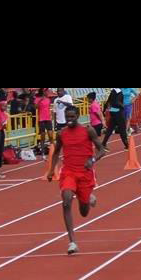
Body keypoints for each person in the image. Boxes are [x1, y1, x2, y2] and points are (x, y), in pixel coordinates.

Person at [48, 106, 108, 255]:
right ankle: (72, 242)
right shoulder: (61, 133)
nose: (69, 120)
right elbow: (56, 152)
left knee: (84, 211)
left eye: (72, 117)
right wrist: (51, 170)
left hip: (85, 174)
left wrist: (92, 160)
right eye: (67, 117)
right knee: (66, 200)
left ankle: (88, 198)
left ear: (78, 116)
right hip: (68, 172)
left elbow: (102, 150)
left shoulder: (88, 131)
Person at [36, 88, 54, 155]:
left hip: (48, 119)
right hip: (41, 119)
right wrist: (40, 100)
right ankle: (43, 152)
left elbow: (49, 108)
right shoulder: (37, 99)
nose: (47, 92)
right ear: (43, 91)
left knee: (51, 136)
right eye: (46, 91)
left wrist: (51, 116)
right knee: (43, 136)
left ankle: (53, 150)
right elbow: (35, 107)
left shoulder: (48, 99)